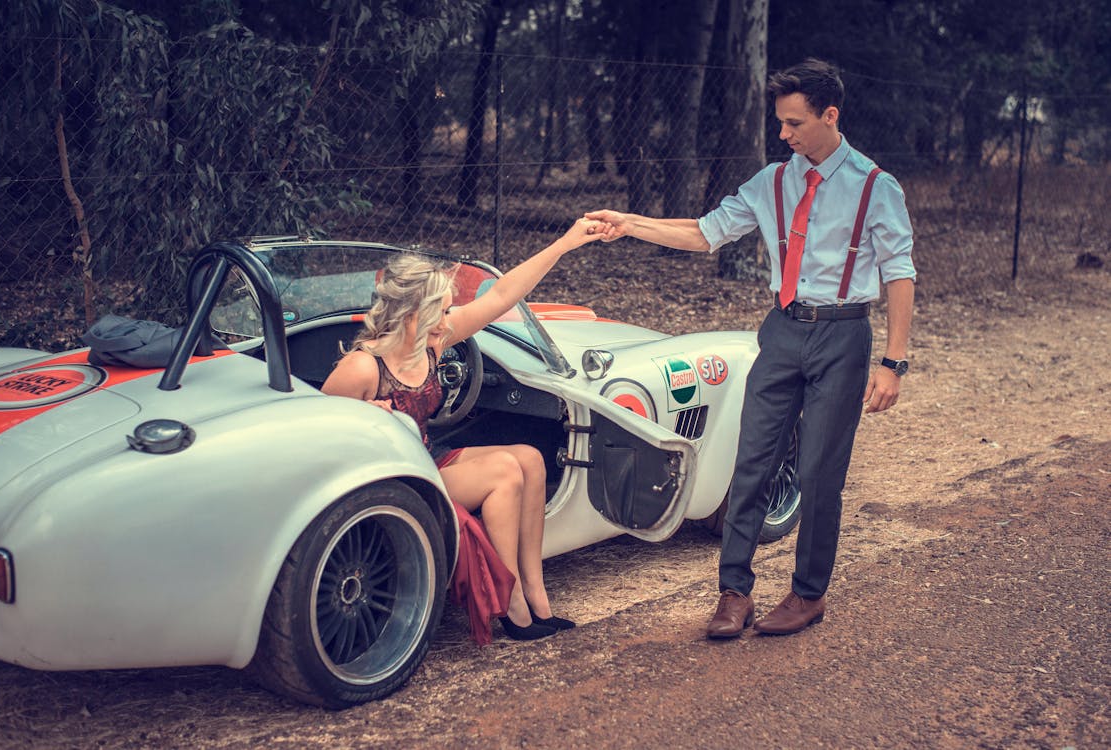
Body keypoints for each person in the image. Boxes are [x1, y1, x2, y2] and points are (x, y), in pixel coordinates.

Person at [586, 58, 916, 638]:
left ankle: (808, 593)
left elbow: (900, 274)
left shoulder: (874, 186)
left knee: (818, 473)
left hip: (844, 335)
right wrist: (629, 223)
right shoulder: (771, 182)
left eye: (793, 123)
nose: (783, 134)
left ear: (829, 116)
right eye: (780, 123)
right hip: (782, 331)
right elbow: (703, 231)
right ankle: (733, 592)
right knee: (752, 462)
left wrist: (893, 362)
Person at [321, 218, 604, 641]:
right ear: (409, 312)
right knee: (505, 472)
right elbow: (317, 435)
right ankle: (510, 606)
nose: (447, 320)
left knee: (529, 458)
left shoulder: (434, 340)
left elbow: (505, 294)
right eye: (439, 311)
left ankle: (536, 594)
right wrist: (368, 418)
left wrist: (564, 243)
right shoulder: (363, 366)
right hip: (400, 481)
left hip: (427, 458)